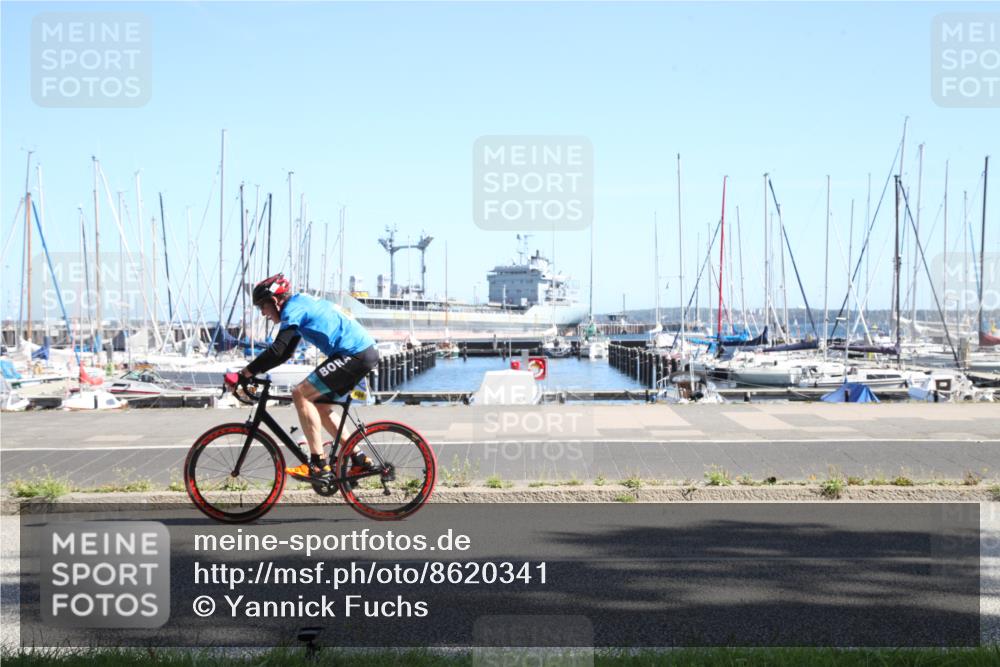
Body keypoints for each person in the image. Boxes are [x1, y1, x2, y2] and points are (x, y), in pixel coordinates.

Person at [241, 274, 378, 480]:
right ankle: (359, 459)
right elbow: (286, 352)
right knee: (320, 406)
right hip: (360, 353)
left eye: (263, 306)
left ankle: (318, 465)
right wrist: (253, 371)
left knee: (301, 394)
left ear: (275, 300)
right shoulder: (299, 305)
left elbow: (278, 350)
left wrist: (245, 373)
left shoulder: (293, 309)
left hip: (354, 354)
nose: (263, 313)